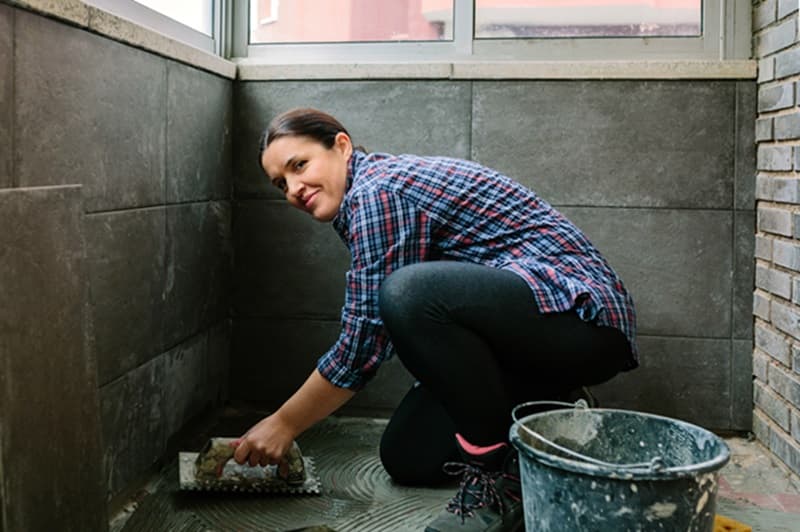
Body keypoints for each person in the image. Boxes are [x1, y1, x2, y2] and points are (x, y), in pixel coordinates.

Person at [233, 107, 638, 532]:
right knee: (409, 456)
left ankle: (498, 479)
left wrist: (284, 423)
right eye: (281, 183)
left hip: (580, 319)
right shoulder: (364, 197)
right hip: (525, 336)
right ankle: (555, 408)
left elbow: (363, 345)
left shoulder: (377, 192)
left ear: (342, 146)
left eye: (300, 165)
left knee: (407, 294)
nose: (294, 188)